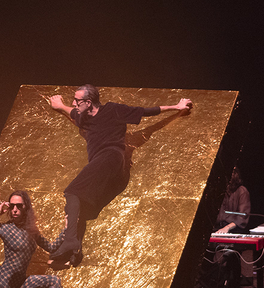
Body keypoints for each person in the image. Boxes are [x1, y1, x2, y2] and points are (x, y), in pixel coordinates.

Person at [46, 85, 193, 269]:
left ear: (88, 102)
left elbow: (146, 111)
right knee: (79, 207)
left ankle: (70, 241)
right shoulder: (83, 116)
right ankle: (74, 253)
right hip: (102, 167)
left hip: (110, 157)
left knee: (72, 192)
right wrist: (60, 106)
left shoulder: (113, 110)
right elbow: (72, 113)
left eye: (77, 100)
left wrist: (177, 107)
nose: (74, 103)